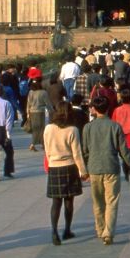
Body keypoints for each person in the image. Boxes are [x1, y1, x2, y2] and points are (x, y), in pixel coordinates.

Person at [82, 96, 130, 245]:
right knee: (111, 201)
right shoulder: (115, 126)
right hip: (111, 167)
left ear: (94, 109)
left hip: (94, 168)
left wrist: (84, 168)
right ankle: (109, 232)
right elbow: (123, 149)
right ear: (107, 109)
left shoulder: (87, 127)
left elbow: (84, 150)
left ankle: (100, 229)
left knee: (98, 202)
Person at [44, 101, 88, 245]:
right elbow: (77, 154)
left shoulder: (48, 128)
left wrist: (51, 161)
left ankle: (54, 230)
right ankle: (67, 229)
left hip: (54, 166)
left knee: (56, 202)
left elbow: (47, 149)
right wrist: (83, 171)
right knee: (69, 201)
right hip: (69, 167)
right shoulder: (73, 130)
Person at [26, 77, 53, 152]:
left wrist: (27, 112)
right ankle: (34, 144)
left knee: (35, 128)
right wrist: (52, 111)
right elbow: (47, 103)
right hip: (40, 112)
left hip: (32, 111)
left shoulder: (31, 92)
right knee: (40, 128)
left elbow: (28, 103)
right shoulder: (43, 92)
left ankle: (41, 143)